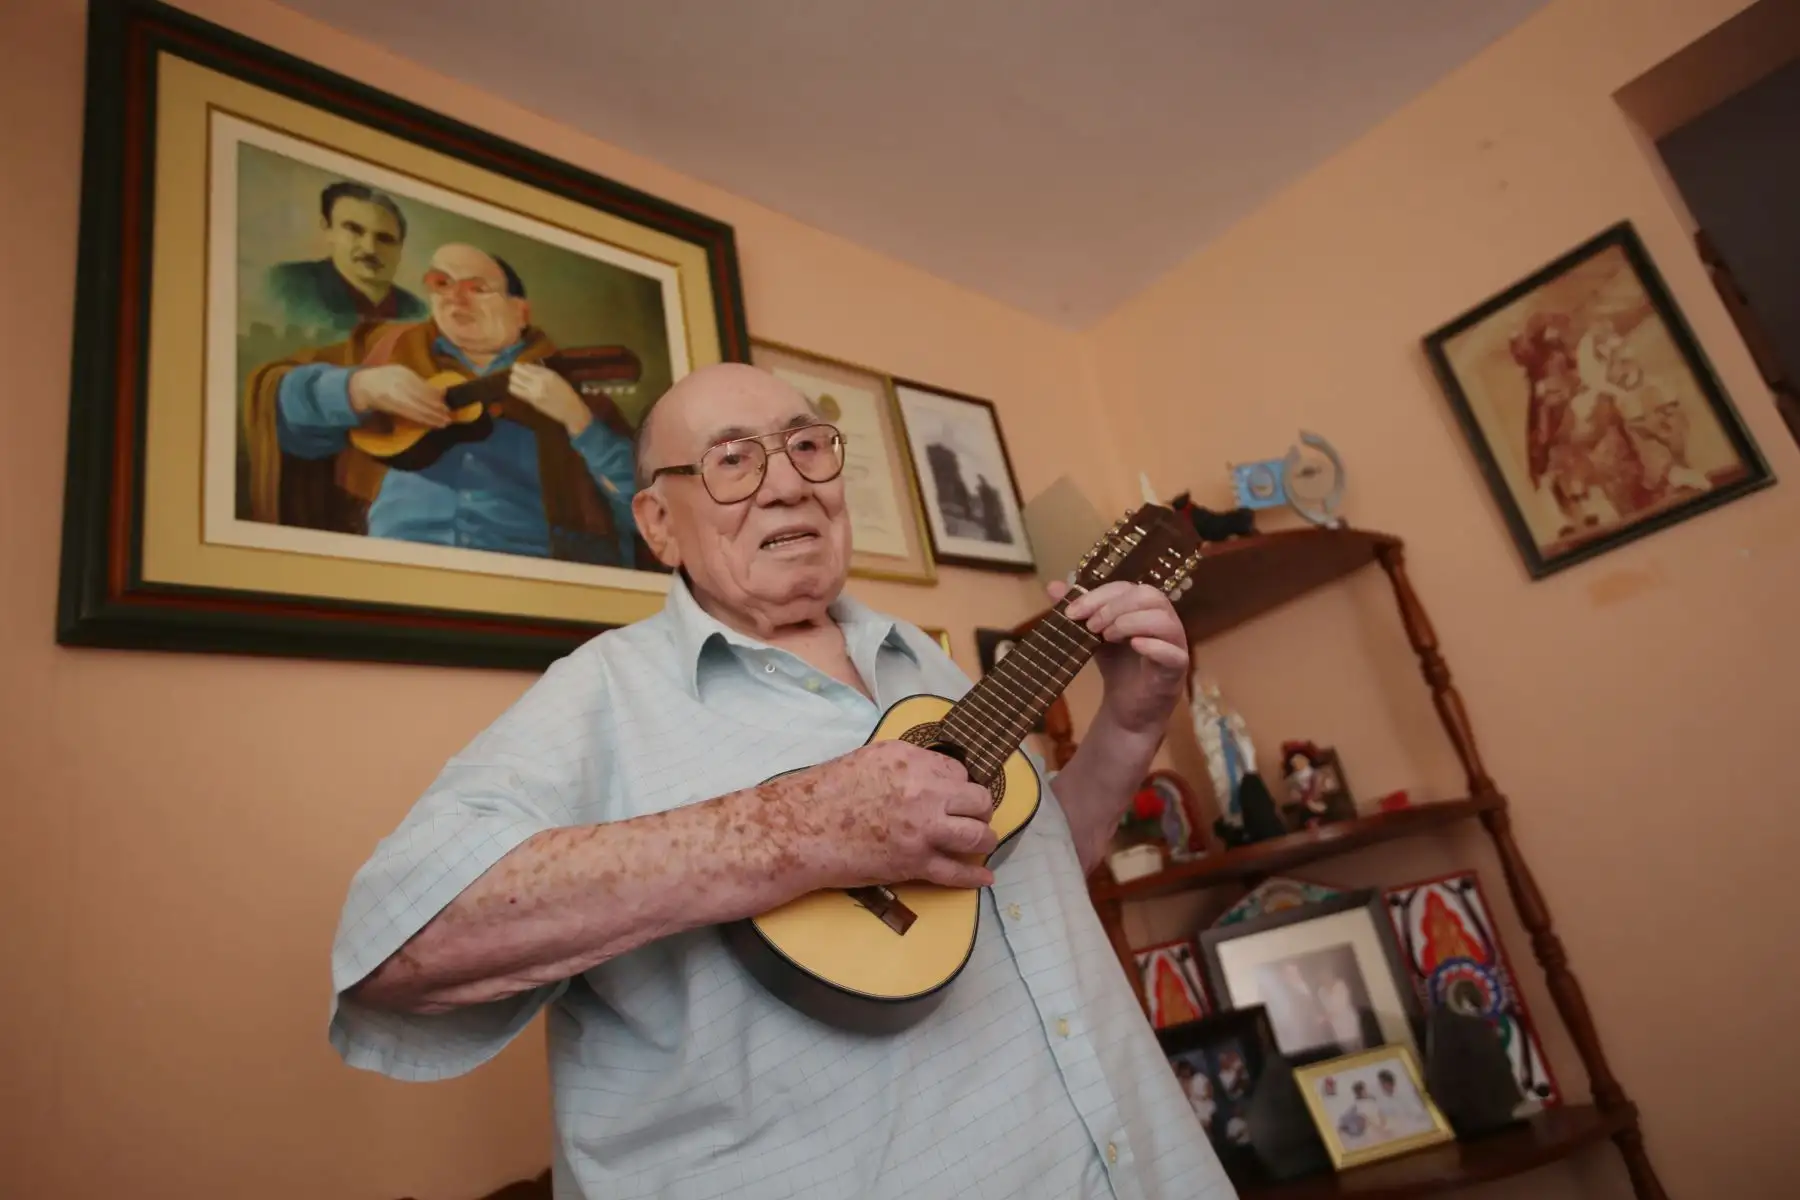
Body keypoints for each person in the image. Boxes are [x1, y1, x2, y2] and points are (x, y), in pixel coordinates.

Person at [326, 363, 1237, 1200]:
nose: (790, 479)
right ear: (656, 524)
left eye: (808, 445)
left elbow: (1033, 877)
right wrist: (799, 831)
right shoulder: (599, 695)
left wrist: (1127, 724)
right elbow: (399, 947)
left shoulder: (927, 661)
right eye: (732, 458)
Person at [243, 243, 638, 566]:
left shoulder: (569, 386)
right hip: (386, 567)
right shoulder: (384, 352)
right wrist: (358, 388)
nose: (454, 298)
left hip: (528, 575)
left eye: (476, 288)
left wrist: (578, 420)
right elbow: (279, 404)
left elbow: (645, 504)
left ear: (520, 311)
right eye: (441, 283)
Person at [266, 181, 428, 337]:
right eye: (354, 230)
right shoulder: (288, 286)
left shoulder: (418, 312)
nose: (370, 248)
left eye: (384, 238)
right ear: (328, 229)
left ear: (400, 248)